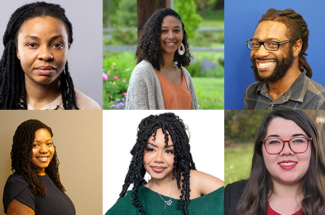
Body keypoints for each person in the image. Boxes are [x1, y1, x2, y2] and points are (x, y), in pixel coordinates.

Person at [106, 113, 223, 215]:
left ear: (178, 155)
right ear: (141, 152)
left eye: (169, 151)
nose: (158, 159)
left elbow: (234, 200)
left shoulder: (195, 180)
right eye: (151, 149)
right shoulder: (131, 203)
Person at [0, 2, 101, 110]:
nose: (45, 55)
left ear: (67, 47)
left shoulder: (88, 109)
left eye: (57, 45)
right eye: (32, 45)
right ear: (16, 50)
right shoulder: (4, 101)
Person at [225, 110, 325, 214]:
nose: (286, 151)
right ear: (261, 150)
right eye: (274, 141)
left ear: (313, 149)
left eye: (298, 140)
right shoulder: (231, 196)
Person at [244, 8, 325, 110]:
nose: (260, 53)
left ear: (296, 47)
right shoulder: (251, 93)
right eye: (256, 44)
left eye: (272, 44)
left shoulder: (319, 102)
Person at [125, 8, 199, 110]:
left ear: (182, 34)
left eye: (176, 30)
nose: (171, 36)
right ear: (154, 35)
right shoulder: (143, 73)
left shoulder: (184, 74)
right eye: (164, 31)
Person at [3, 119, 75, 214]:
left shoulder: (48, 178)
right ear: (23, 148)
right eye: (35, 145)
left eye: (48, 143)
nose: (44, 150)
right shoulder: (18, 185)